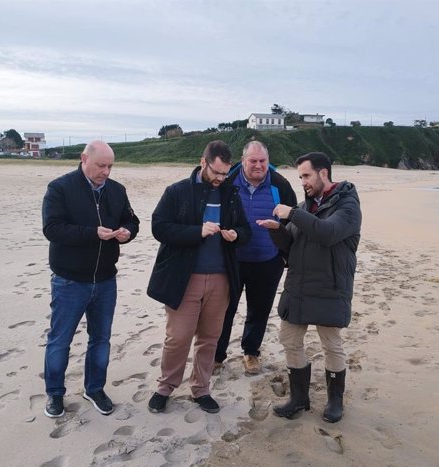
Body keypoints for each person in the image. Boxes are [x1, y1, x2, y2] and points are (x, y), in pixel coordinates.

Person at [146, 140, 251, 414]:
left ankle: (201, 389)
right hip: (185, 277)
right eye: (216, 172)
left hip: (221, 278)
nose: (220, 179)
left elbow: (245, 228)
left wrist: (236, 234)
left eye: (225, 173)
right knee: (178, 337)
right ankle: (165, 387)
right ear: (203, 162)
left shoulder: (230, 193)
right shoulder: (177, 191)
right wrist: (196, 232)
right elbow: (159, 227)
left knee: (209, 338)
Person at [258, 152, 361, 423]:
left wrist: (291, 212)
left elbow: (327, 233)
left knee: (331, 345)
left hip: (330, 287)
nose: (302, 181)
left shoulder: (348, 205)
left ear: (323, 173)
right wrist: (276, 230)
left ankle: (335, 401)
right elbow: (292, 246)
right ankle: (299, 398)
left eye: (306, 175)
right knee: (290, 340)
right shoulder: (306, 207)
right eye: (300, 176)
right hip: (299, 287)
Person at [41, 140, 140, 418]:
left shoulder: (117, 190)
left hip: (106, 279)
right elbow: (52, 229)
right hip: (70, 280)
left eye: (110, 166)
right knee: (60, 340)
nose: (106, 172)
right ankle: (55, 394)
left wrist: (127, 232)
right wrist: (91, 233)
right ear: (84, 158)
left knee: (101, 338)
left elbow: (133, 221)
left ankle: (94, 388)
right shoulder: (60, 188)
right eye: (101, 166)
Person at [215, 141, 297, 375]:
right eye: (253, 161)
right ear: (243, 161)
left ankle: (251, 353)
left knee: (258, 310)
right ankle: (217, 355)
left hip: (268, 261)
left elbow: (293, 222)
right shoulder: (228, 182)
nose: (259, 165)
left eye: (262, 161)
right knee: (224, 310)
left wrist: (284, 257)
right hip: (232, 260)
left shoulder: (279, 184)